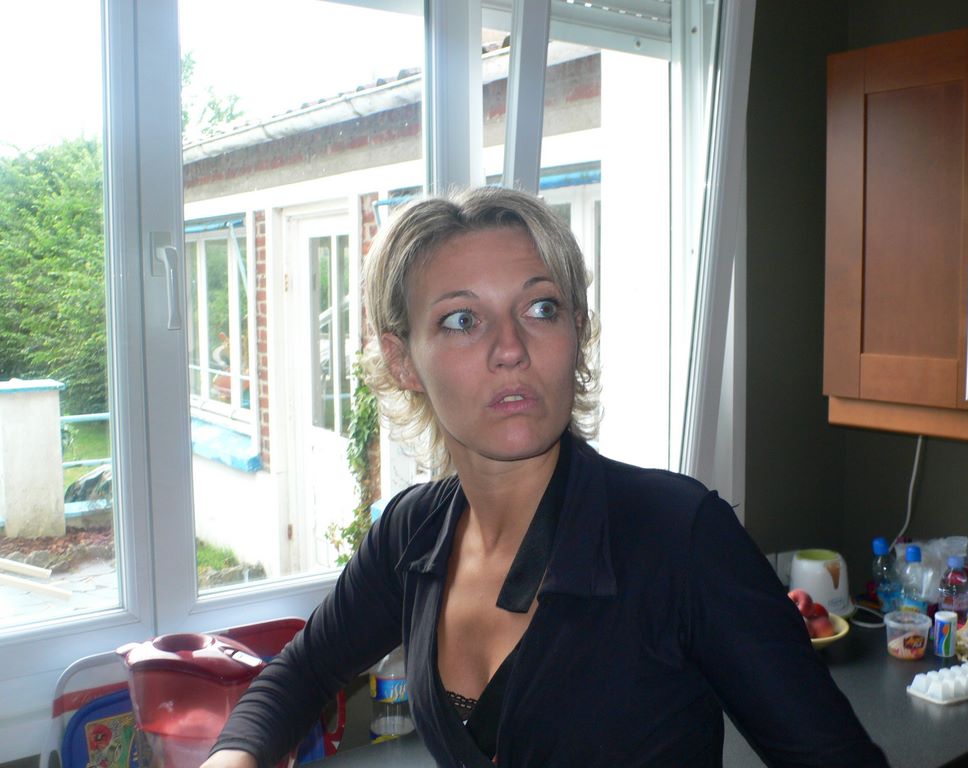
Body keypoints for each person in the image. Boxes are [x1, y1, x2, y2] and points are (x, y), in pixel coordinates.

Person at [203, 187, 888, 767]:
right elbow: (299, 673)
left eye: (541, 309)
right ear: (403, 359)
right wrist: (233, 756)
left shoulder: (678, 538)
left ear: (576, 332)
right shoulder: (412, 536)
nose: (511, 349)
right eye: (462, 320)